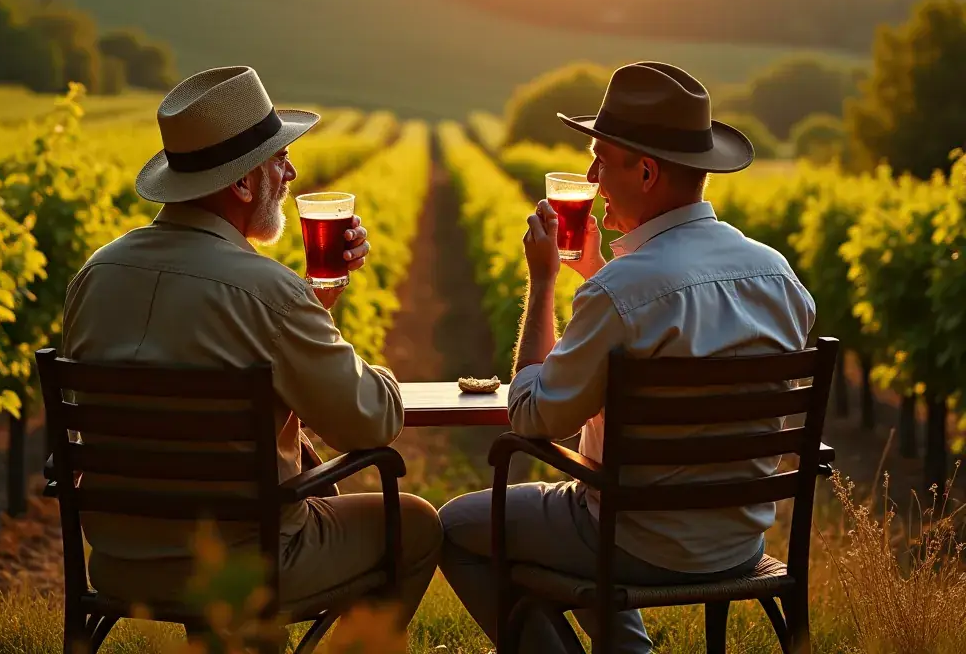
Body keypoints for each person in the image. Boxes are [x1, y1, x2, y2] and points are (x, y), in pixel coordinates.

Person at [439, 61, 816, 654]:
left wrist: (542, 284)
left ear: (645, 171)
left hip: (634, 540)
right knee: (553, 524)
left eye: (600, 159)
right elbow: (680, 332)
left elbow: (534, 418)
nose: (589, 177)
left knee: (459, 528)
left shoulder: (623, 293)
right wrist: (599, 276)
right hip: (739, 539)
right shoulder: (777, 275)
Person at [62, 65, 441, 629]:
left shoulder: (94, 274)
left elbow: (181, 344)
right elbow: (372, 423)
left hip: (118, 564)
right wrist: (346, 347)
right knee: (415, 525)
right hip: (244, 565)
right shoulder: (268, 293)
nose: (291, 172)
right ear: (242, 185)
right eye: (278, 160)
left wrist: (312, 305)